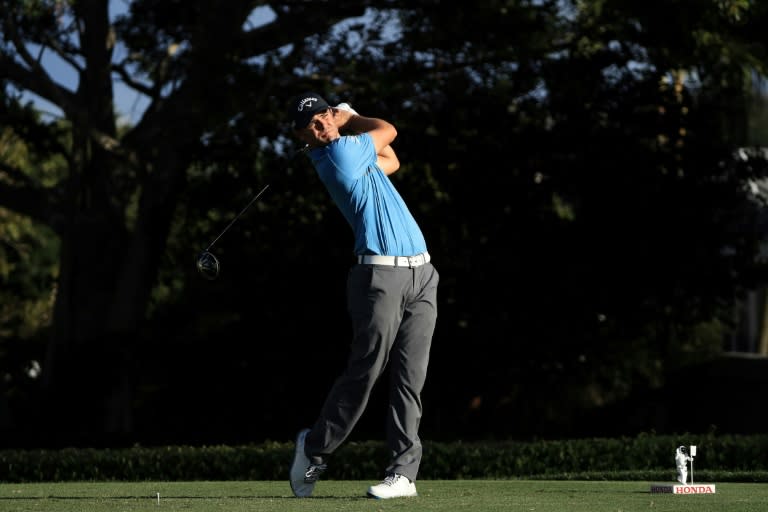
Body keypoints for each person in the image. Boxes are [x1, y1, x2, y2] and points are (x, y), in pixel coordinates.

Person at [286, 91, 439, 499]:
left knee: (411, 379)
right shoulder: (339, 156)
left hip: (422, 273)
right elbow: (387, 131)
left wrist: (348, 124)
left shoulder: (354, 156)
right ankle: (314, 448)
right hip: (380, 276)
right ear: (303, 135)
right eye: (314, 125)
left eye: (325, 117)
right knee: (366, 371)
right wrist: (350, 116)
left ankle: (403, 475)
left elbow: (392, 161)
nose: (323, 127)